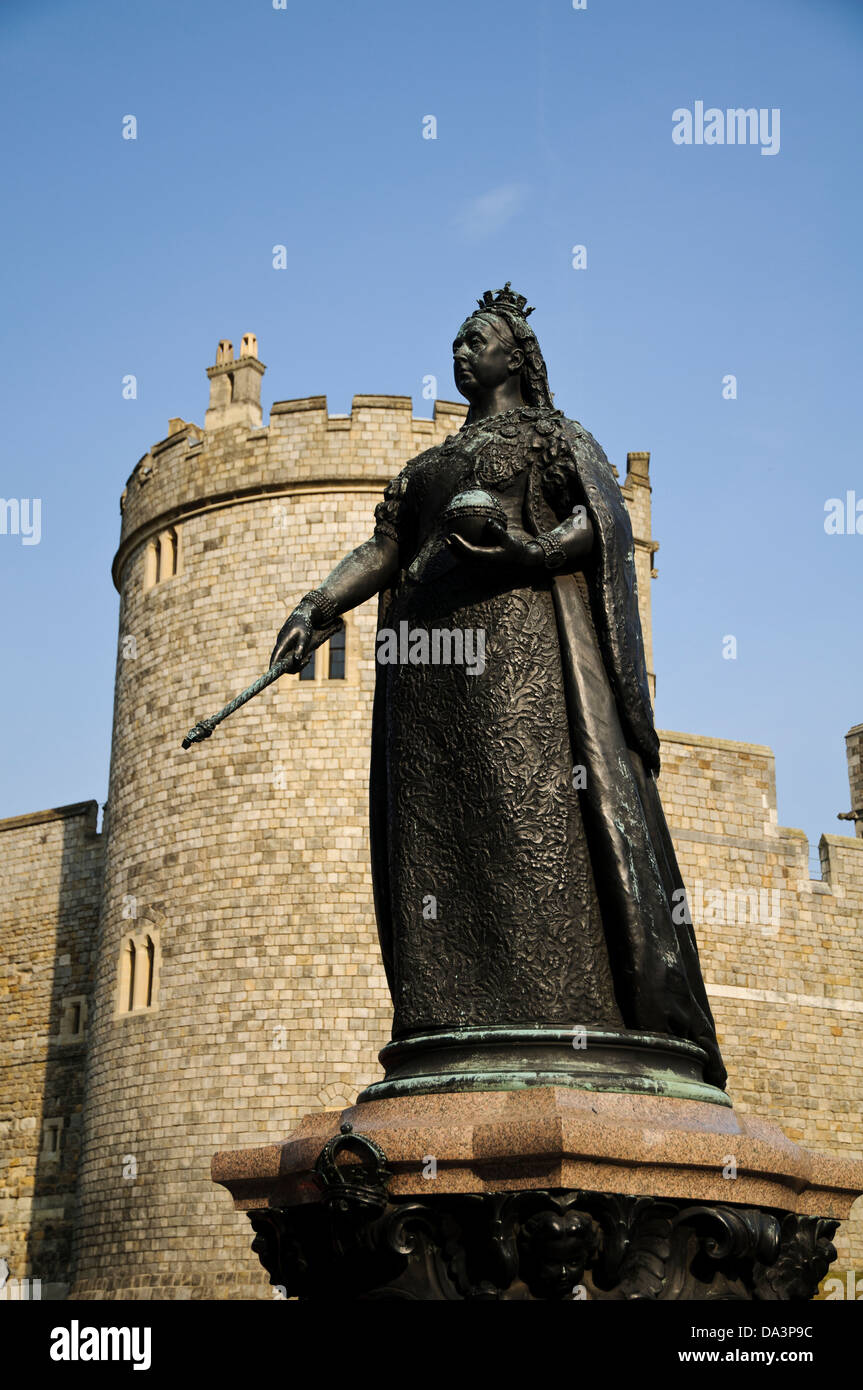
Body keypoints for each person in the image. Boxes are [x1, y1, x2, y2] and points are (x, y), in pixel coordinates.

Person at [271, 283, 726, 1091]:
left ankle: (562, 1005)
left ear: (512, 355)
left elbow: (599, 522)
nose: (458, 351)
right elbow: (383, 549)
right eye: (454, 341)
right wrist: (318, 604)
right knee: (437, 830)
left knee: (530, 819)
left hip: (520, 658)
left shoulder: (553, 436)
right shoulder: (424, 469)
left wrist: (531, 554)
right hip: (424, 676)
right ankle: (449, 1015)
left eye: (473, 339)